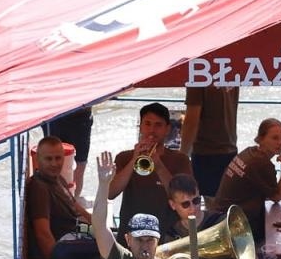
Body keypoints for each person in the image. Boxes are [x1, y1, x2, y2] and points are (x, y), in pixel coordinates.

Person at [108, 101, 193, 233]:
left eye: (158, 125)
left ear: (167, 129)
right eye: (147, 124)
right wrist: (133, 161)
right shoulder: (124, 157)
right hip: (131, 234)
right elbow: (110, 193)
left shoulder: (180, 159)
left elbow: (184, 198)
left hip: (168, 234)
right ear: (140, 126)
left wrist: (159, 166)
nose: (152, 130)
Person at [210, 117, 281, 245]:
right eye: (275, 138)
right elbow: (277, 196)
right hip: (233, 223)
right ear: (261, 139)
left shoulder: (249, 152)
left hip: (219, 215)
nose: (280, 143)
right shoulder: (261, 163)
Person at [25, 136, 92, 259]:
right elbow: (43, 234)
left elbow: (74, 204)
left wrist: (94, 221)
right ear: (38, 160)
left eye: (58, 158)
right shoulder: (39, 188)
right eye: (48, 159)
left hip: (75, 236)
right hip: (63, 249)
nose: (54, 164)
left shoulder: (59, 179)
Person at [181, 85, 238, 196]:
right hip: (229, 147)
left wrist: (182, 156)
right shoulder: (229, 69)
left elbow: (192, 120)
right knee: (221, 203)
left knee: (209, 204)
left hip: (207, 150)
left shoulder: (197, 77)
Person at [43, 104, 94, 196]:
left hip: (78, 114)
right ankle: (62, 202)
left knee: (79, 164)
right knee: (54, 163)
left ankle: (71, 202)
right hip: (56, 111)